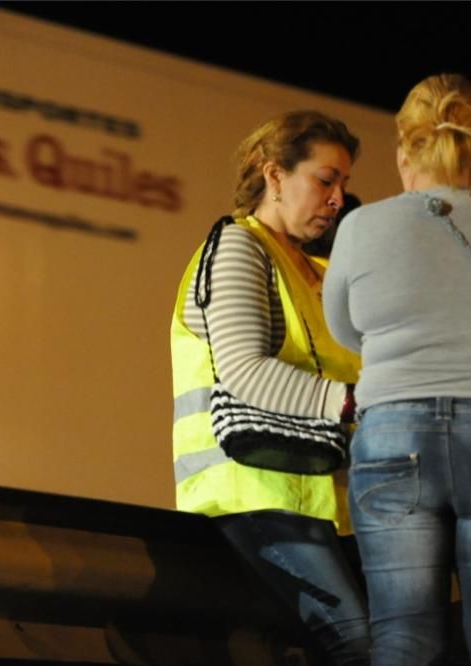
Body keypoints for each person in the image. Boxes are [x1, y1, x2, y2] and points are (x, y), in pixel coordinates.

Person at [323, 73, 471, 665]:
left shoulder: (361, 227)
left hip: (392, 439)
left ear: (403, 151)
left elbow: (345, 330)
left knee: (405, 642)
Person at [169, 110, 372, 665]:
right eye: (325, 180)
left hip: (319, 499)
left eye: (344, 185)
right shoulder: (239, 246)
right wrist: (356, 402)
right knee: (358, 642)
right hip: (251, 493)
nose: (337, 199)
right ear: (275, 175)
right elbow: (245, 370)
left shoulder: (318, 270)